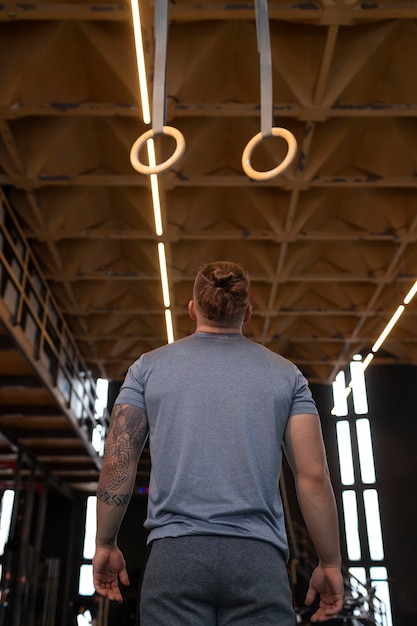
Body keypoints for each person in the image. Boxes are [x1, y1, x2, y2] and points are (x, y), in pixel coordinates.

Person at [93, 260, 344, 625]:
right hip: (258, 563)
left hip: (175, 560)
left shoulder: (147, 368)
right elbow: (313, 477)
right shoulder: (287, 376)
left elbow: (119, 462)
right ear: (248, 312)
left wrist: (104, 544)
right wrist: (330, 563)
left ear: (193, 308)